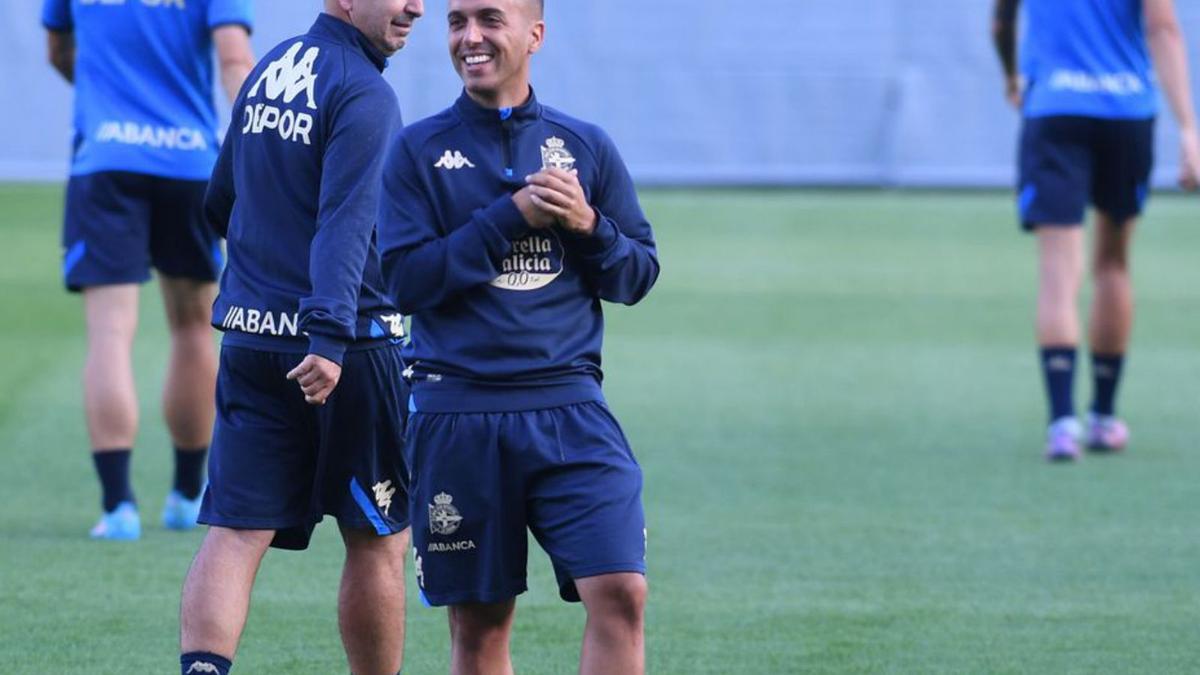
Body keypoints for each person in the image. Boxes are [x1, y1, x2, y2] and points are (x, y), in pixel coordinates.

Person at [378, 1, 660, 672]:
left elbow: (638, 274)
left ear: (534, 34)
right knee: (479, 629)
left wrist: (589, 225)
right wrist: (509, 217)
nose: (469, 37)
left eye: (489, 19)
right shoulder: (416, 150)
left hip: (571, 410)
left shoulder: (584, 146)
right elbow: (406, 282)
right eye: (456, 22)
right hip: (458, 414)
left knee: (621, 591)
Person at [177, 1, 423, 674]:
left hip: (252, 340)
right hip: (345, 348)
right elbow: (347, 223)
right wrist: (327, 333)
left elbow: (219, 199)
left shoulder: (269, 69)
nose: (417, 6)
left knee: (234, 530)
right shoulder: (365, 93)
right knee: (376, 538)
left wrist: (267, 286)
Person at [41, 0, 254, 539]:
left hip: (107, 160)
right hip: (188, 163)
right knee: (192, 329)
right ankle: (186, 496)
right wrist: (261, 139)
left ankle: (118, 508)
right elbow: (234, 59)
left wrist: (108, 105)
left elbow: (59, 51)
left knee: (110, 332)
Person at [992, 0, 1200, 461]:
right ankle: (1103, 418)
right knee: (1113, 265)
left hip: (1056, 109)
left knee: (1058, 273)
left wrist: (1010, 75)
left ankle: (1062, 424)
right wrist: (1189, 127)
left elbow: (1002, 19)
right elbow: (1163, 27)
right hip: (1127, 112)